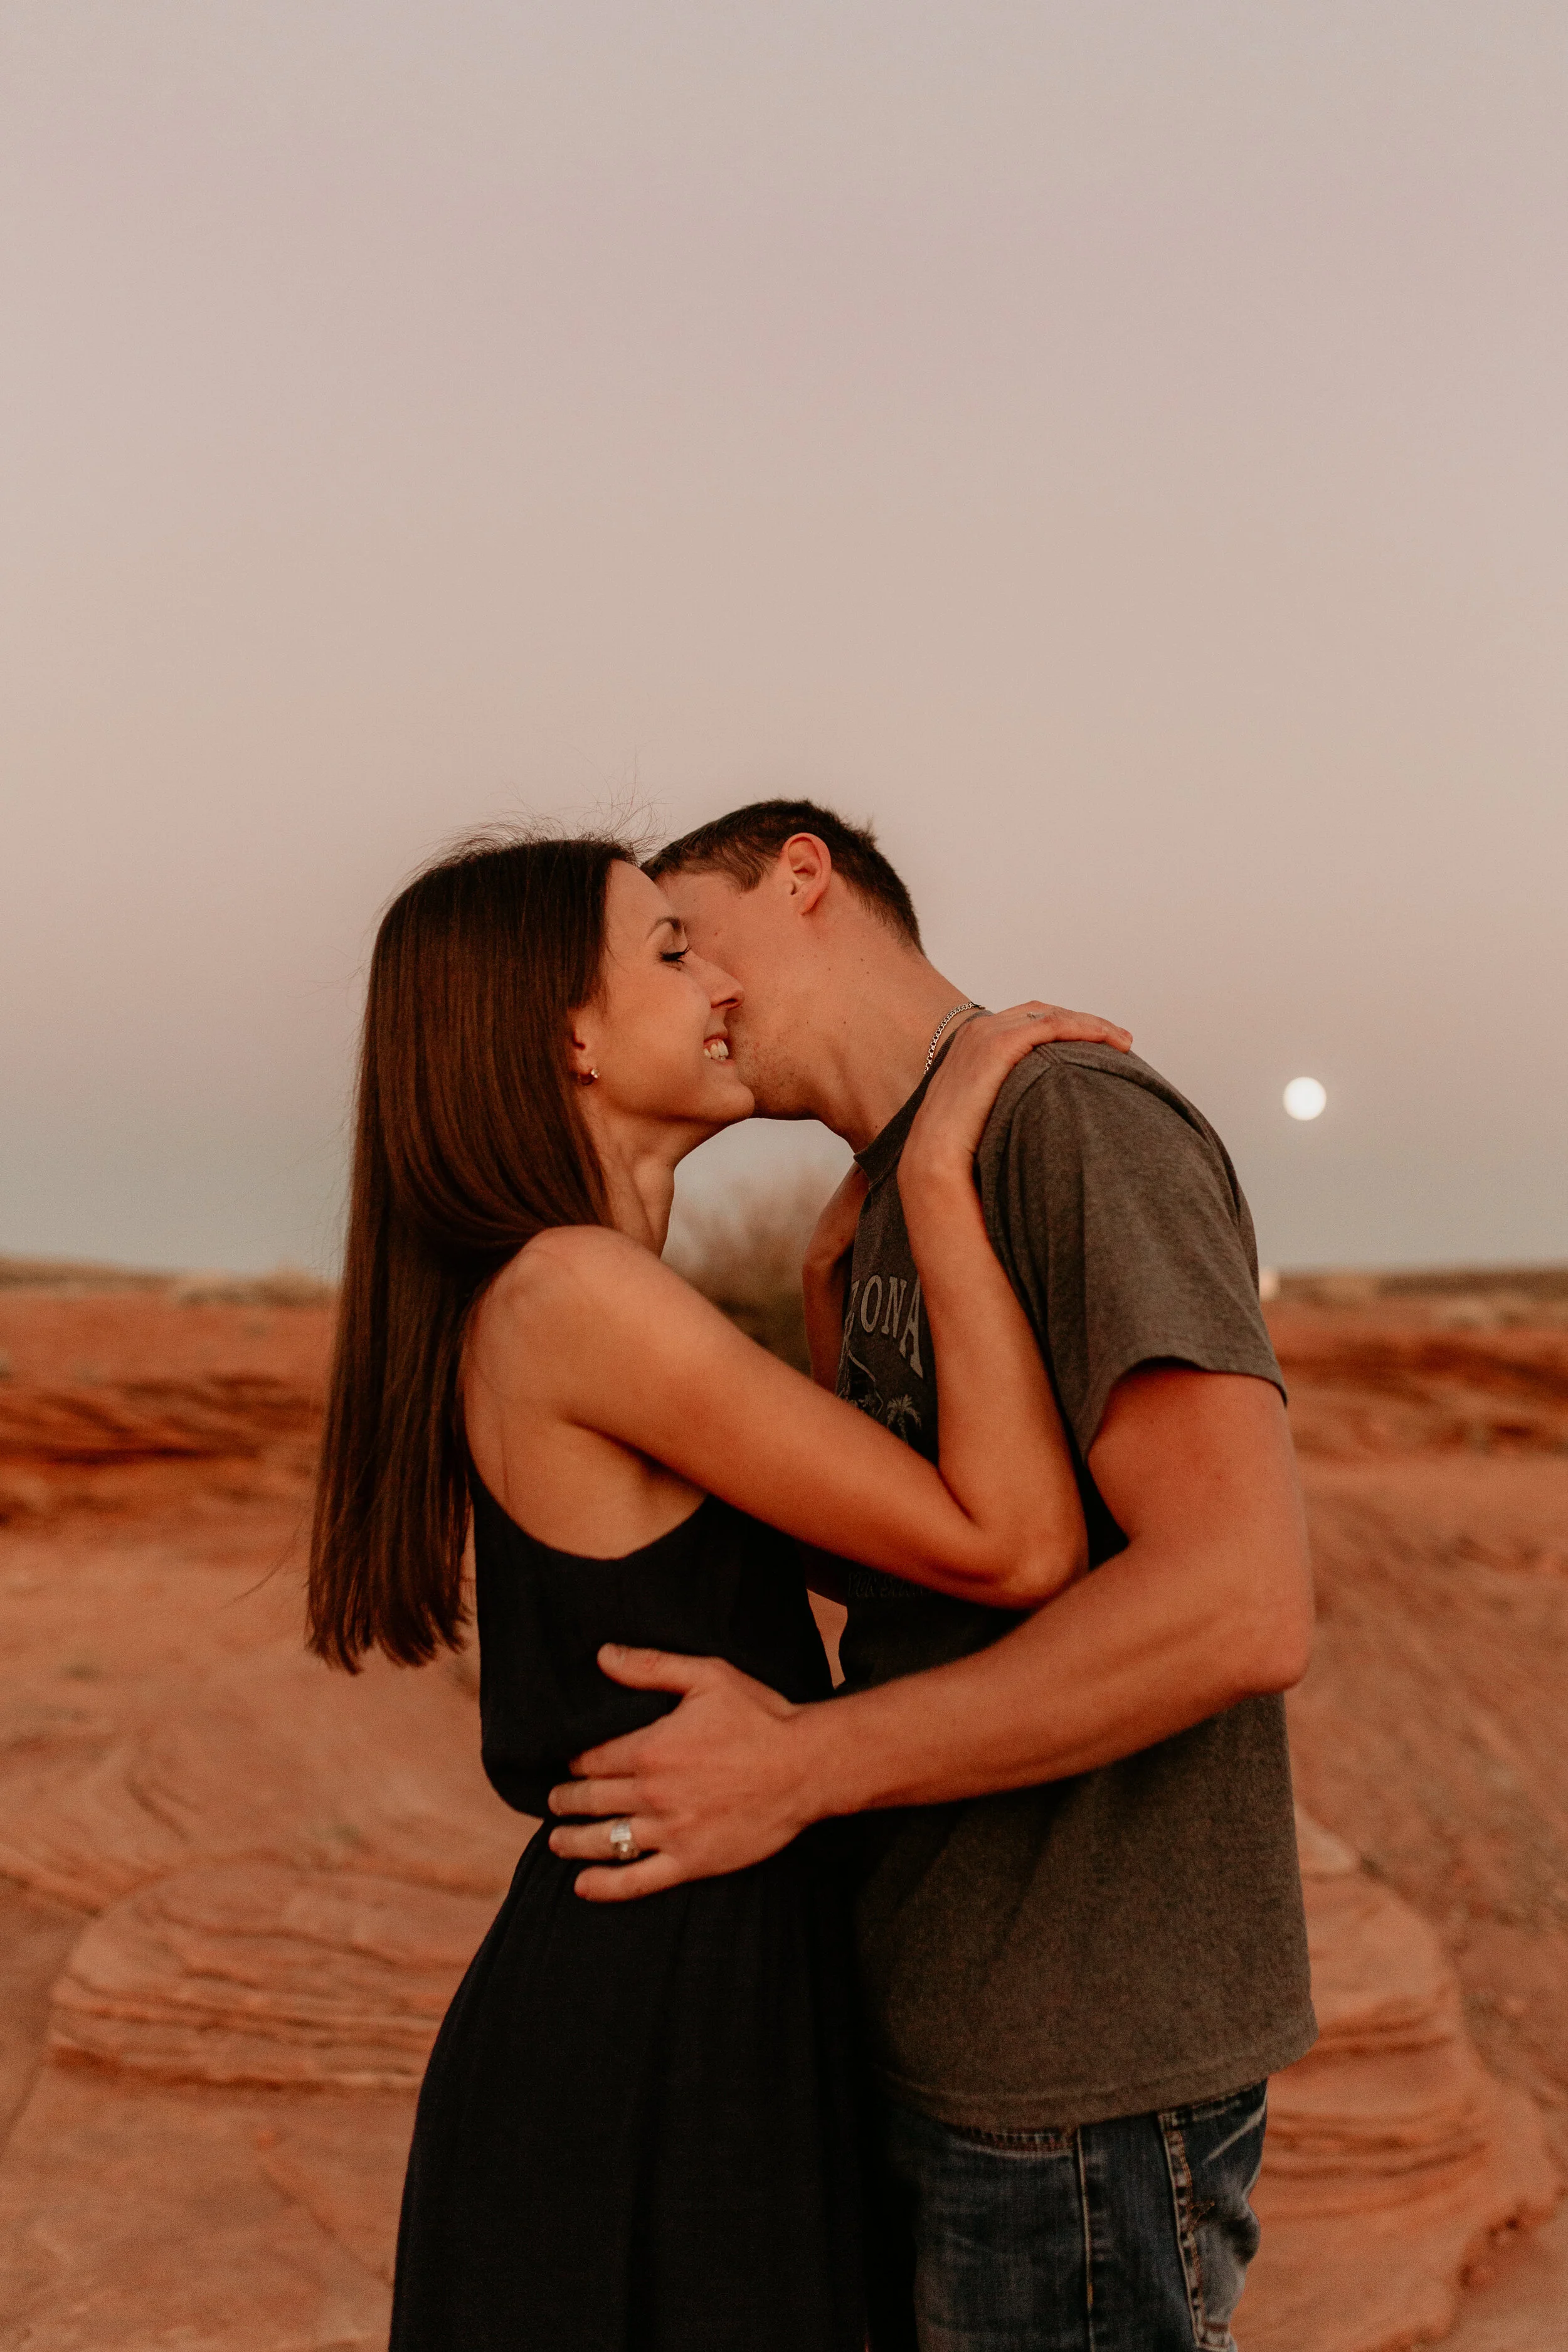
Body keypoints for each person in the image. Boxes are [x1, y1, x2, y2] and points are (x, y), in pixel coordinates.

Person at [305, 829, 1130, 2352]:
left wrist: (833, 1286)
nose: (719, 983)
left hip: (683, 1988)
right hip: (657, 2033)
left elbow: (835, 1547)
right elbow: (1011, 1548)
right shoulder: (573, 1294)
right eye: (669, 952)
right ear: (568, 1033)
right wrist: (936, 1167)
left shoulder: (562, 1294)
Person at [546, 800, 1318, 2352]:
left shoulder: (1067, 1121)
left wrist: (797, 1770)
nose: (688, 991)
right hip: (943, 2016)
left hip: (1072, 2064)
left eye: (686, 936)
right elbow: (931, 1582)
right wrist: (836, 1286)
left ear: (805, 875)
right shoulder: (898, 1186)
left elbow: (1238, 1601)